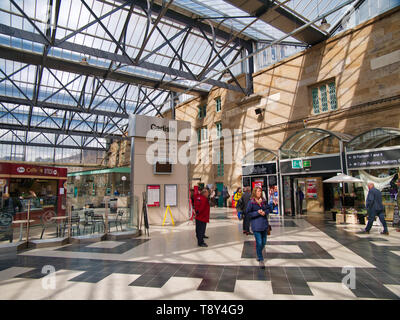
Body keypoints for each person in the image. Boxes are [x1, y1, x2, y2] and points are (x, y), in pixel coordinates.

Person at [246, 186, 273, 269]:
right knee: (259, 242)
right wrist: (257, 212)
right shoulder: (251, 202)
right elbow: (248, 213)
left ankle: (258, 252)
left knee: (264, 242)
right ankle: (260, 258)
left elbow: (270, 209)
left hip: (264, 225)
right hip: (256, 225)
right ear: (254, 192)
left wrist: (264, 210)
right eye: (258, 191)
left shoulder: (263, 201)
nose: (259, 193)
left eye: (260, 191)